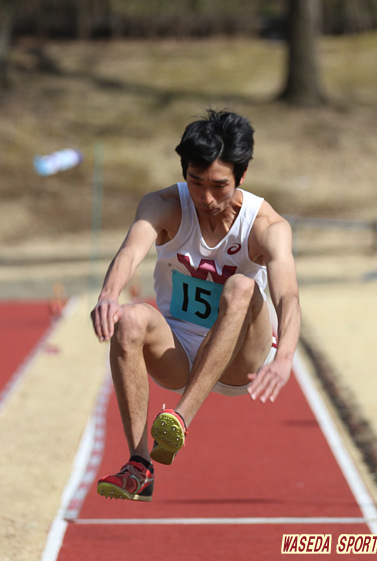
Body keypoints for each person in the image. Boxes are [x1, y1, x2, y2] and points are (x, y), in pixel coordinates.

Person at [90, 109, 301, 502]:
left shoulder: (267, 226)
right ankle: (139, 465)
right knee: (130, 318)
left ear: (242, 174)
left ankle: (180, 420)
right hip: (180, 354)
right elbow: (131, 250)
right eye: (195, 182)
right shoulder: (164, 204)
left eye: (219, 186)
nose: (206, 198)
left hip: (241, 357)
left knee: (241, 285)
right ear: (184, 172)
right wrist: (108, 295)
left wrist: (285, 357)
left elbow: (287, 296)